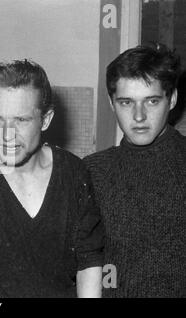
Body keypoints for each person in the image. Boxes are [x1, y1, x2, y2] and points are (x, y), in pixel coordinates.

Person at [0, 59, 104, 298]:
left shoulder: (73, 173)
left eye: (21, 120)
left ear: (45, 119)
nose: (6, 135)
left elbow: (89, 263)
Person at [83, 44, 186, 297]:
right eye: (126, 102)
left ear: (171, 99)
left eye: (151, 101)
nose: (139, 116)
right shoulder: (92, 170)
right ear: (111, 103)